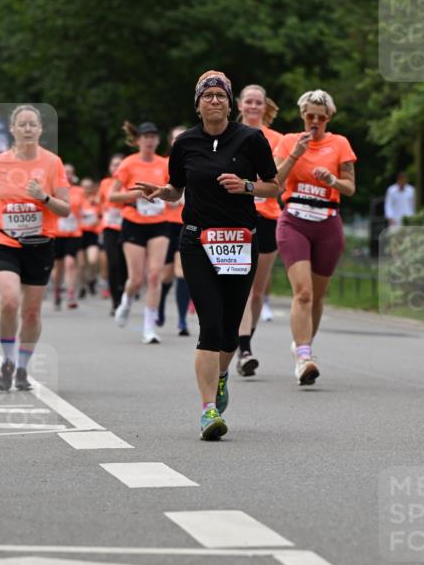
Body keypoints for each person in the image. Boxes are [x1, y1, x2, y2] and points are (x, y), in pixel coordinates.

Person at [130, 70, 278, 440]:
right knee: (209, 325)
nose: (214, 100)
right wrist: (159, 192)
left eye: (221, 95)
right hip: (197, 241)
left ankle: (223, 375)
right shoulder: (185, 144)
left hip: (241, 242)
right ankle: (208, 409)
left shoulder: (251, 139)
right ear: (197, 105)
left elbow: (275, 187)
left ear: (230, 103)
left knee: (229, 330)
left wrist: (246, 186)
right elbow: (177, 190)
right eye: (207, 95)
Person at [0, 104, 69, 391]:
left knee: (31, 312)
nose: (27, 129)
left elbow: (65, 209)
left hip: (40, 243)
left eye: (32, 124)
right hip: (4, 239)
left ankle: (23, 368)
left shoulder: (53, 163)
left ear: (40, 129)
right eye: (22, 124)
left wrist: (43, 197)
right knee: (10, 301)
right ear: (13, 129)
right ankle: (7, 359)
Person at [274, 89, 356, 385]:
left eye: (321, 118)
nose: (315, 121)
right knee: (304, 292)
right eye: (310, 116)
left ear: (329, 118)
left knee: (318, 296)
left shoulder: (340, 144)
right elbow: (274, 181)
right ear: (302, 115)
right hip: (294, 220)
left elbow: (350, 187)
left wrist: (333, 180)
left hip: (327, 222)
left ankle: (303, 344)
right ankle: (304, 358)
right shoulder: (288, 141)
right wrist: (296, 153)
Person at [235, 84, 283, 377]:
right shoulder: (227, 134)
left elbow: (281, 181)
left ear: (265, 107)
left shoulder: (277, 139)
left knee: (257, 291)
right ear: (239, 105)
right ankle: (244, 350)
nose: (253, 106)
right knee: (241, 285)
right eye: (248, 101)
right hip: (237, 216)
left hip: (267, 216)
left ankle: (244, 345)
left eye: (258, 102)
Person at [111, 122, 170, 344]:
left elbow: (174, 191)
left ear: (157, 141)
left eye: (154, 136)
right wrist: (135, 195)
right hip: (133, 222)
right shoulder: (128, 164)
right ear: (138, 140)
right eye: (145, 136)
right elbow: (112, 196)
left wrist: (167, 196)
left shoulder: (164, 164)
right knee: (135, 279)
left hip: (159, 223)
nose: (150, 140)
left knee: (155, 275)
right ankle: (126, 301)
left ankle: (149, 327)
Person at [157, 126, 191, 335]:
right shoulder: (162, 164)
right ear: (170, 141)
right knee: (166, 274)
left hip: (185, 223)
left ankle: (182, 320)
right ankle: (159, 305)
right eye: (175, 138)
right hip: (163, 224)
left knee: (182, 272)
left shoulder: (196, 160)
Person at [98, 154, 127, 311]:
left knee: (124, 264)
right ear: (110, 168)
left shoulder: (129, 182)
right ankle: (115, 301)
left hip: (128, 226)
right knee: (113, 263)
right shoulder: (105, 183)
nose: (117, 168)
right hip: (109, 227)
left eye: (120, 165)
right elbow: (102, 204)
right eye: (114, 165)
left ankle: (124, 295)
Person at [52, 171, 83, 309]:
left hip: (73, 233)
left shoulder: (79, 191)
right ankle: (57, 290)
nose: (68, 175)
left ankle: (71, 294)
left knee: (70, 263)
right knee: (58, 267)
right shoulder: (54, 190)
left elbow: (86, 206)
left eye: (70, 173)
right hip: (57, 233)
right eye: (65, 173)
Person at [77, 176, 102, 297]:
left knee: (93, 260)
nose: (86, 189)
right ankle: (82, 286)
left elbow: (102, 215)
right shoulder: (76, 200)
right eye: (84, 187)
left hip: (92, 234)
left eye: (88, 187)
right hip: (78, 234)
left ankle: (92, 279)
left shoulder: (96, 201)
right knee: (81, 264)